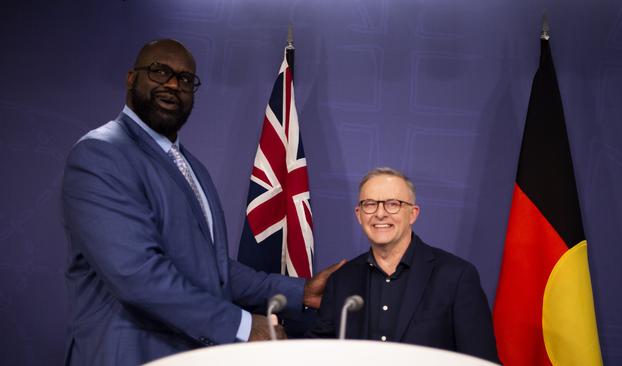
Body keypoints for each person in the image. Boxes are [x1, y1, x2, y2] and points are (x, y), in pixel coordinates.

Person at [61, 39, 340, 366]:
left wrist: (302, 292)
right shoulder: (101, 154)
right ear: (131, 78)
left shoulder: (192, 167)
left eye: (185, 79)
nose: (172, 84)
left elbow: (214, 269)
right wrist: (244, 327)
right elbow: (138, 277)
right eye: (159, 71)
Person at [308, 167, 500, 363]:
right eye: (370, 204)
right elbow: (319, 356)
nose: (380, 214)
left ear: (413, 214)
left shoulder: (455, 276)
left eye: (393, 204)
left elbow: (481, 361)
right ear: (359, 214)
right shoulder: (342, 280)